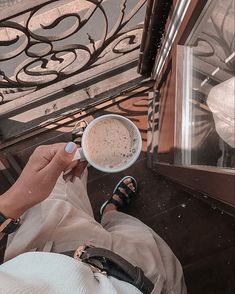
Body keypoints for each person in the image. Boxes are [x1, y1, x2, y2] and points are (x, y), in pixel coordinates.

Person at [0, 141, 187, 293]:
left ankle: (83, 149)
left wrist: (13, 201)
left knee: (62, 185)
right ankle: (111, 212)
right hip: (136, 279)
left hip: (38, 253)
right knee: (144, 240)